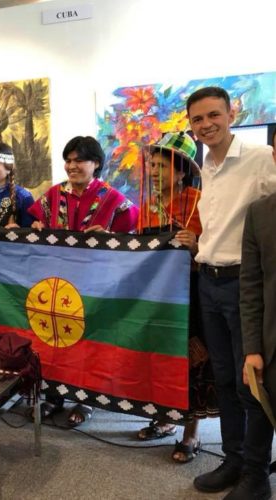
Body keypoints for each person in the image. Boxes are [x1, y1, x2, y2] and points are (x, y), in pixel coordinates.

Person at [187, 87, 276, 500]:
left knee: (251, 382)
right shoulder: (206, 165)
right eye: (198, 119)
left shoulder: (259, 158)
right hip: (209, 280)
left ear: (230, 114)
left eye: (213, 115)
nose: (206, 125)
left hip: (245, 283)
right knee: (223, 378)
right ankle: (234, 459)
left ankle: (256, 475)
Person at [28, 135, 139, 426]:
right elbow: (35, 224)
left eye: (79, 160)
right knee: (54, 339)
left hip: (95, 286)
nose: (72, 166)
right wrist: (35, 226)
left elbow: (134, 241)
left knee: (90, 342)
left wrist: (110, 237)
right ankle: (54, 396)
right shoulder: (53, 195)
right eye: (68, 160)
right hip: (56, 282)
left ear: (96, 163)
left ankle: (87, 400)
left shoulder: (114, 200)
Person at [136, 132, 218, 463]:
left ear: (181, 172)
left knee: (192, 361)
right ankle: (165, 418)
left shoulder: (201, 201)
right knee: (162, 359)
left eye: (161, 166)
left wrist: (196, 245)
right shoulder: (147, 207)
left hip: (192, 295)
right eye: (152, 165)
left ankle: (191, 433)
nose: (154, 172)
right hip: (158, 297)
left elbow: (216, 251)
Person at [239, 128, 276, 493]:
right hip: (271, 340)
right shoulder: (260, 213)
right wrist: (252, 348)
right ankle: (255, 478)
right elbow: (250, 286)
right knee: (262, 411)